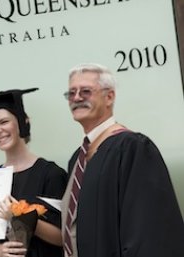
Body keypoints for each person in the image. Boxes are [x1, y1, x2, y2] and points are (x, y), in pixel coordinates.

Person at [61, 63, 184, 257]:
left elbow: (149, 230)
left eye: (85, 91)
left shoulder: (132, 148)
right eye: (71, 93)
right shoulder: (77, 159)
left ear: (109, 96)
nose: (76, 98)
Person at [0, 88, 68, 257]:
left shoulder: (51, 174)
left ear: (22, 121)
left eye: (4, 122)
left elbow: (63, 237)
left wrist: (20, 216)